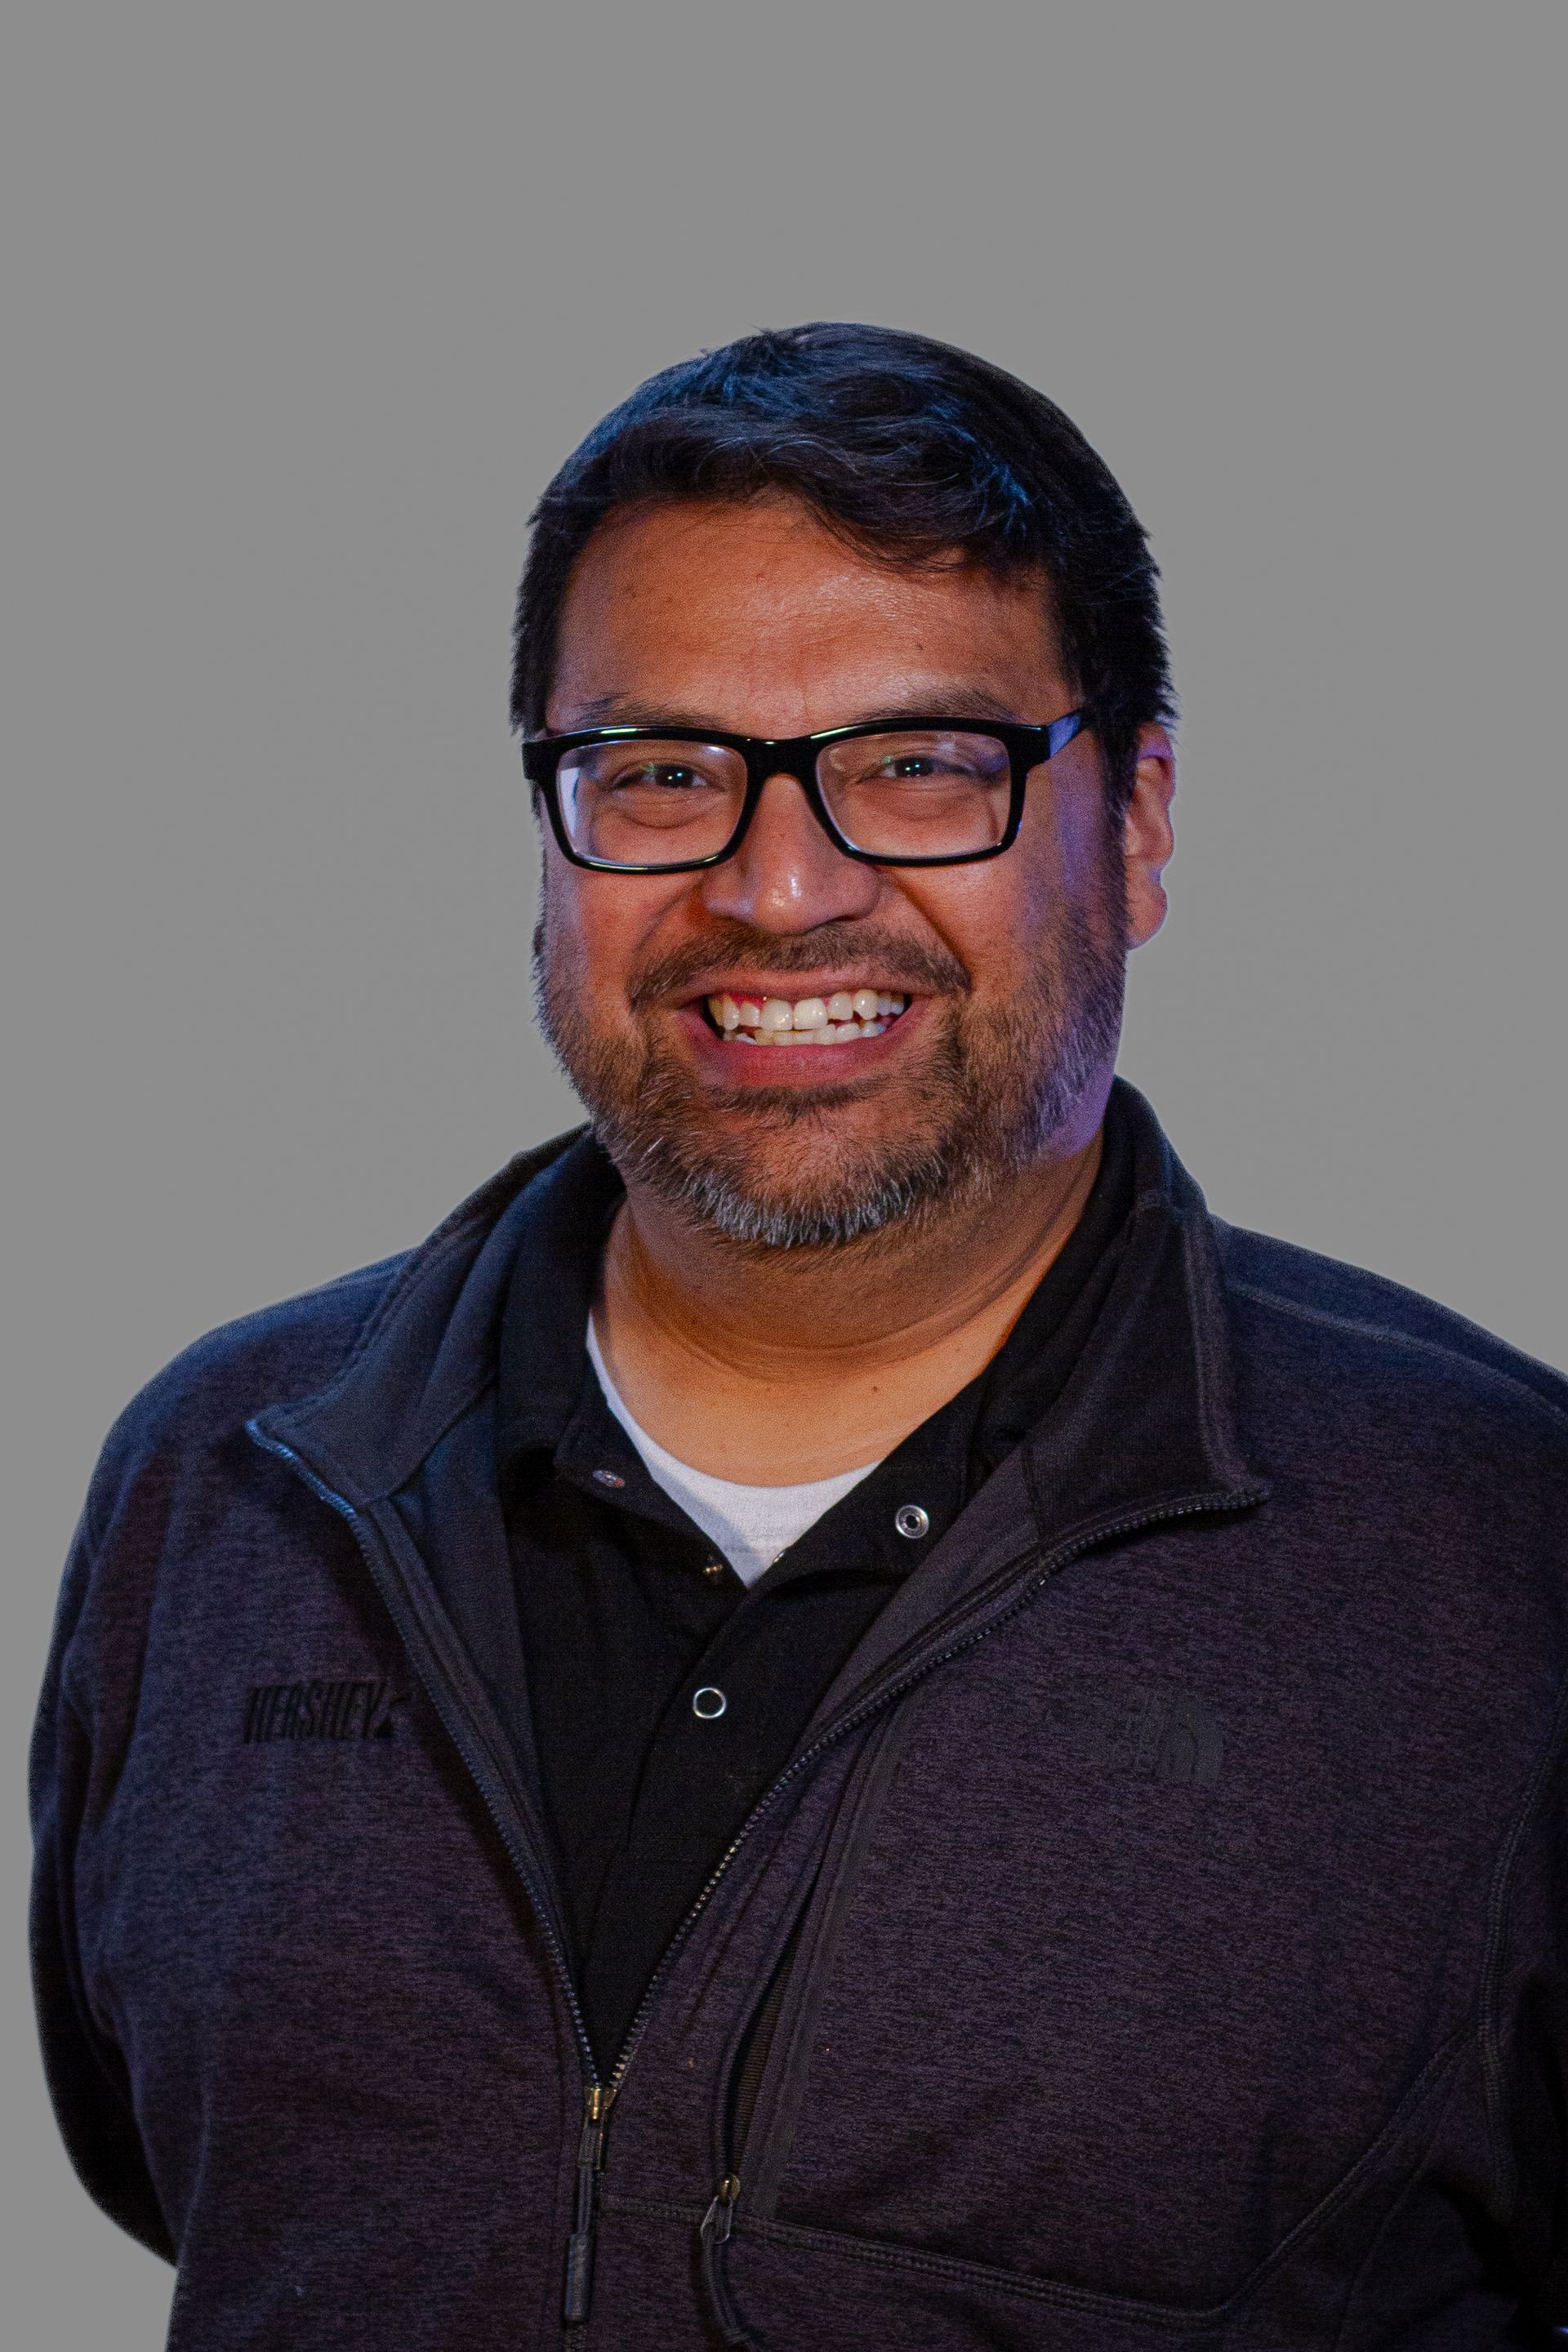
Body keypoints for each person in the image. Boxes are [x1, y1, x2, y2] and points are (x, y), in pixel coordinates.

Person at [30, 322, 1568, 2351]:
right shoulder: (226, 1481)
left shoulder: (1501, 1554)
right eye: (658, 772)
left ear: (1141, 824)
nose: (778, 887)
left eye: (920, 766)